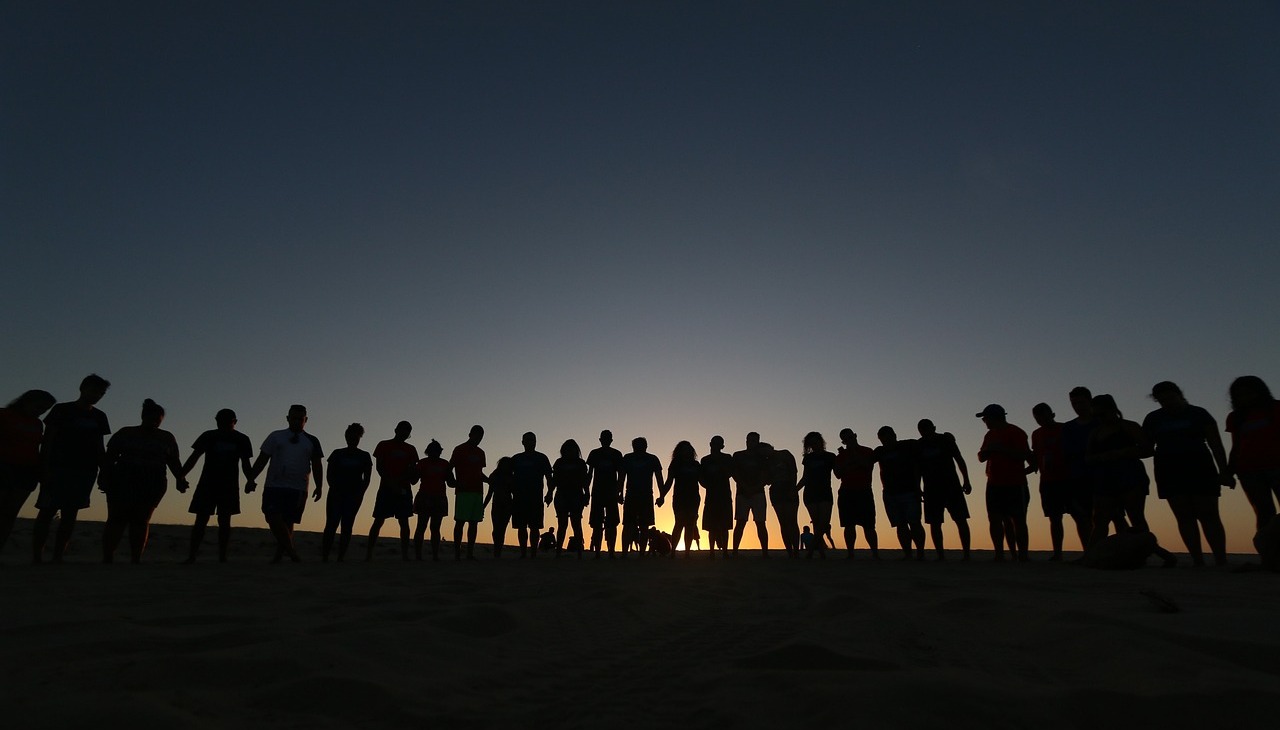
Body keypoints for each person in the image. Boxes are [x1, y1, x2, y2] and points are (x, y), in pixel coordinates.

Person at [1142, 382, 1232, 567]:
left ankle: (1221, 559)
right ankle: (1197, 560)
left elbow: (1216, 444)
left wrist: (1224, 471)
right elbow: (1146, 448)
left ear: (1179, 394)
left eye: (1170, 397)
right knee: (1184, 516)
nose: (1167, 402)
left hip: (1200, 467)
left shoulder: (1199, 414)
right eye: (1162, 399)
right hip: (1169, 469)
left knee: (1209, 514)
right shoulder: (1153, 418)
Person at [33, 374, 110, 563]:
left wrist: (104, 471)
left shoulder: (99, 416)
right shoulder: (62, 410)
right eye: (93, 390)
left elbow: (99, 446)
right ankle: (37, 556)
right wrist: (44, 467)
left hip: (85, 470)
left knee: (70, 514)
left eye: (100, 393)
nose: (96, 395)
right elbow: (48, 440)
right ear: (82, 388)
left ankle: (58, 556)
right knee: (47, 511)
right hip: (58, 467)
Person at [100, 399, 185, 563]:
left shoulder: (166, 437)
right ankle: (108, 557)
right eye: (151, 419)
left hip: (152, 481)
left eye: (157, 420)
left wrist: (180, 479)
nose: (154, 423)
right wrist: (104, 476)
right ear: (143, 417)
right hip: (123, 479)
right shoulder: (126, 433)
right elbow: (109, 457)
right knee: (117, 518)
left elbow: (174, 461)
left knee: (141, 520)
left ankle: (136, 558)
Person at [247, 404, 324, 563]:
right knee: (272, 517)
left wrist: (319, 485)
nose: (297, 421)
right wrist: (251, 478)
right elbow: (262, 459)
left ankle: (279, 556)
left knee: (289, 522)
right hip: (274, 485)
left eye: (300, 419)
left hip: (298, 487)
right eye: (294, 418)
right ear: (288, 418)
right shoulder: (276, 436)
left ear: (305, 420)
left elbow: (317, 464)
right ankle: (292, 552)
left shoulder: (311, 441)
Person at [180, 408, 253, 563]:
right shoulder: (209, 436)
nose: (225, 425)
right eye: (221, 422)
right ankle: (193, 555)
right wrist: (181, 475)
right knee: (201, 519)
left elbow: (246, 464)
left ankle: (222, 556)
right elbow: (194, 457)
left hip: (228, 485)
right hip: (208, 483)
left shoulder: (241, 439)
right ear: (216, 421)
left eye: (228, 422)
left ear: (235, 422)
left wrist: (250, 480)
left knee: (224, 520)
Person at [1085, 395, 1153, 549]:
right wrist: (1102, 457)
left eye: (1102, 414)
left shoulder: (1130, 427)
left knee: (1136, 517)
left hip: (1130, 477)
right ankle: (1092, 554)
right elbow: (1088, 458)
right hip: (1104, 479)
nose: (1100, 418)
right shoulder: (1095, 433)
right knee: (1100, 520)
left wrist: (1123, 453)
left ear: (1113, 410)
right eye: (1096, 416)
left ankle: (1143, 552)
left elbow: (1148, 449)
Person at [0, 390, 55, 554]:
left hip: (26, 470)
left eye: (44, 409)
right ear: (26, 401)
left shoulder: (37, 424)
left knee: (10, 513)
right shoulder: (4, 415)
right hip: (3, 466)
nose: (39, 411)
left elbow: (39, 448)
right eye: (38, 406)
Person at [976, 404, 1033, 562]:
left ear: (994, 418)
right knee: (994, 519)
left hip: (1015, 483)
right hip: (994, 482)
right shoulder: (989, 435)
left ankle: (1022, 554)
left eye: (986, 419)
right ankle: (999, 553)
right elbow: (981, 457)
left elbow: (1024, 455)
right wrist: (987, 452)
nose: (985, 422)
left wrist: (1002, 450)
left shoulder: (1016, 432)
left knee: (1018, 519)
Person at [1225, 376, 1280, 537]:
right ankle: (1268, 555)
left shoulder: (1276, 408)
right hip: (1249, 470)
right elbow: (1236, 447)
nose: (1246, 398)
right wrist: (1229, 471)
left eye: (1249, 393)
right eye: (1240, 395)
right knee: (1263, 513)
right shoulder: (1235, 417)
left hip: (1277, 466)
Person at [1030, 402, 1085, 560]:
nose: (1041, 420)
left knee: (1079, 515)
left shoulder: (1065, 429)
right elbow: (1035, 455)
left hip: (1069, 479)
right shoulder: (1036, 434)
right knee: (1054, 517)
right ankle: (1058, 553)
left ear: (1052, 415)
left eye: (1044, 416)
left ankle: (1088, 550)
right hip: (1048, 480)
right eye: (1038, 418)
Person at [916, 419, 972, 560]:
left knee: (960, 519)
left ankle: (966, 554)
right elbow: (917, 469)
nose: (925, 432)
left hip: (951, 486)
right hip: (931, 488)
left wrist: (966, 479)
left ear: (933, 428)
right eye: (922, 430)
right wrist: (918, 487)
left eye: (927, 428)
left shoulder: (946, 440)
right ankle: (940, 555)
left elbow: (959, 459)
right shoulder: (919, 445)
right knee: (935, 523)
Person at [367, 421, 417, 562]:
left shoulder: (411, 449)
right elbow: (379, 467)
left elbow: (412, 469)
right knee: (378, 520)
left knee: (404, 521)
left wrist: (405, 479)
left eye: (407, 432)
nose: (404, 434)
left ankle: (405, 555)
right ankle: (369, 554)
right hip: (386, 487)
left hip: (404, 488)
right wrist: (391, 482)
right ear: (396, 430)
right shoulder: (383, 445)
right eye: (403, 430)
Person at [873, 426, 925, 560]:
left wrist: (947, 437)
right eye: (883, 438)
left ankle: (920, 553)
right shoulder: (880, 451)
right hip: (890, 493)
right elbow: (866, 461)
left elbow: (924, 441)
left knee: (914, 523)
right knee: (900, 525)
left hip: (909, 490)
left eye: (888, 437)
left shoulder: (907, 445)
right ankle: (908, 554)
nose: (886, 440)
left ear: (894, 435)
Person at [322, 423, 372, 562]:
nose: (353, 439)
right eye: (350, 436)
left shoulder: (364, 456)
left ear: (359, 438)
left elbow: (367, 478)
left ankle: (340, 557)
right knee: (331, 524)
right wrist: (334, 489)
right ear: (346, 436)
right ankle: (325, 556)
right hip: (336, 494)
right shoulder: (337, 453)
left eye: (356, 436)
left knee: (347, 525)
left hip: (354, 495)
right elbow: (329, 474)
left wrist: (360, 493)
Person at [1060, 387, 1099, 544]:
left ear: (1090, 401)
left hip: (1102, 476)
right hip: (1077, 476)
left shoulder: (1100, 423)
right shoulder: (1069, 427)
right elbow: (1066, 453)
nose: (1078, 406)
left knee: (1111, 515)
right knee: (1081, 517)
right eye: (1074, 403)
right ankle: (1089, 551)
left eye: (1081, 402)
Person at [834, 429, 878, 559]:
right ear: (843, 441)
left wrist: (852, 455)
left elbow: (867, 465)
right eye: (845, 439)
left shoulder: (867, 451)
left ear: (855, 435)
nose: (849, 440)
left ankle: (875, 553)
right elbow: (838, 474)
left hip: (864, 490)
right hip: (847, 491)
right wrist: (848, 461)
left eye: (850, 437)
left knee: (869, 525)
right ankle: (850, 553)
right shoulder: (841, 456)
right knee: (848, 525)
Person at [510, 432, 553, 559]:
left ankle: (533, 553)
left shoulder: (542, 458)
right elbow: (507, 474)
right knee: (521, 527)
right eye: (528, 440)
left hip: (536, 497)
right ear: (522, 442)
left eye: (533, 440)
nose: (530, 442)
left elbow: (549, 477)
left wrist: (550, 493)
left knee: (535, 527)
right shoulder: (516, 459)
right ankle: (523, 553)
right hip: (519, 497)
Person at [619, 436, 663, 555]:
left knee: (643, 526)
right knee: (628, 525)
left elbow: (659, 478)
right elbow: (622, 477)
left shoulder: (652, 459)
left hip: (645, 496)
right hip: (632, 495)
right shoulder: (627, 458)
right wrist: (620, 492)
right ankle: (625, 552)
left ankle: (641, 553)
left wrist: (662, 495)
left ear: (645, 446)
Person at [449, 425, 488, 560]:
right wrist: (454, 482)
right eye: (476, 435)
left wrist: (488, 480)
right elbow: (450, 467)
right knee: (460, 522)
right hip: (463, 492)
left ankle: (469, 553)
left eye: (481, 436)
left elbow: (479, 472)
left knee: (474, 522)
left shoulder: (481, 452)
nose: (479, 438)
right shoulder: (459, 449)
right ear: (470, 434)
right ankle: (457, 553)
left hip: (477, 491)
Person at [412, 440, 454, 561]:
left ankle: (435, 555)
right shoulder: (422, 463)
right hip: (425, 496)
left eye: (438, 451)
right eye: (433, 451)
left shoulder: (445, 464)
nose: (436, 453)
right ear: (429, 452)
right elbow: (414, 480)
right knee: (422, 526)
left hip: (439, 497)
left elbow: (451, 482)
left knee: (435, 528)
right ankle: (418, 555)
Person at [731, 432, 771, 556]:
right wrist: (745, 487)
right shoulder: (738, 455)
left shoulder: (762, 458)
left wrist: (755, 488)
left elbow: (765, 476)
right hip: (742, 493)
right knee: (740, 523)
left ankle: (765, 552)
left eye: (753, 441)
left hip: (758, 493)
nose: (750, 443)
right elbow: (734, 473)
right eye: (749, 440)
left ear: (757, 442)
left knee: (760, 523)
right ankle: (735, 551)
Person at [658, 440, 700, 555]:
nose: (686, 451)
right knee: (679, 523)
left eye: (688, 449)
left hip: (693, 498)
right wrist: (662, 496)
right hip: (680, 498)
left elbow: (703, 480)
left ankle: (687, 552)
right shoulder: (675, 464)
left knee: (690, 525)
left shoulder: (696, 465)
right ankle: (673, 551)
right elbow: (669, 481)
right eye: (684, 449)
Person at [797, 431, 835, 559]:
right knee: (816, 523)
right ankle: (821, 552)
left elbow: (838, 473)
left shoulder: (830, 456)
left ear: (821, 442)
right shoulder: (808, 458)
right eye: (812, 444)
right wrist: (795, 489)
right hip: (810, 493)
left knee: (824, 523)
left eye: (816, 442)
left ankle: (811, 551)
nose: (814, 445)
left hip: (825, 492)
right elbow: (805, 477)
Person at [585, 430, 623, 557]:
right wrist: (586, 492)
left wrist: (619, 492)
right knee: (596, 524)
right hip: (597, 493)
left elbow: (621, 475)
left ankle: (611, 551)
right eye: (604, 438)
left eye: (608, 438)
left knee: (612, 524)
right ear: (600, 440)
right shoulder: (594, 454)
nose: (606, 441)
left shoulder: (616, 454)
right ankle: (597, 552)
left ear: (611, 440)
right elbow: (589, 475)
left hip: (611, 493)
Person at [550, 439, 589, 557]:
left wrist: (587, 494)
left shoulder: (581, 463)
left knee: (576, 524)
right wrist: (549, 493)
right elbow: (554, 480)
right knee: (562, 524)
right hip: (562, 494)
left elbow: (585, 481)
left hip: (576, 495)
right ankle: (558, 551)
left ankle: (579, 552)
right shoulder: (559, 462)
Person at [762, 442, 802, 557]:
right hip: (776, 491)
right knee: (783, 522)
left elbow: (793, 471)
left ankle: (796, 550)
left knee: (792, 521)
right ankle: (789, 551)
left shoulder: (785, 454)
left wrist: (793, 489)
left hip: (788, 487)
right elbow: (767, 480)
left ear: (769, 447)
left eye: (765, 450)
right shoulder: (766, 462)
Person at [699, 436, 733, 557]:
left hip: (724, 495)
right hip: (711, 496)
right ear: (710, 444)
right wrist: (708, 486)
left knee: (725, 526)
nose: (716, 446)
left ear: (722, 446)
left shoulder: (727, 458)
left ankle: (724, 551)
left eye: (719, 444)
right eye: (714, 443)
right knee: (711, 526)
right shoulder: (705, 460)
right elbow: (701, 478)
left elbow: (730, 472)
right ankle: (712, 551)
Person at [483, 456, 514, 557]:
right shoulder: (495, 475)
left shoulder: (511, 477)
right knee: (496, 529)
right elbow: (490, 493)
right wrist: (483, 506)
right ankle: (497, 548)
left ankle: (498, 550)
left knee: (502, 529)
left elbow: (514, 493)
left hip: (507, 505)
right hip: (496, 504)